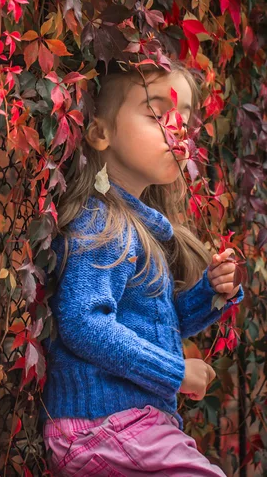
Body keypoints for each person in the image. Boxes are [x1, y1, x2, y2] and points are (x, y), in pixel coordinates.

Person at [41, 58, 244, 476]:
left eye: (184, 121)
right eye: (156, 113)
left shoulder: (132, 226)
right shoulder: (100, 224)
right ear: (100, 133)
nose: (177, 132)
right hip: (105, 426)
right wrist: (175, 373)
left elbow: (144, 325)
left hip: (126, 427)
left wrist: (210, 292)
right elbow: (83, 323)